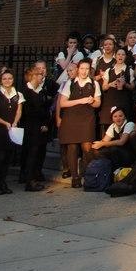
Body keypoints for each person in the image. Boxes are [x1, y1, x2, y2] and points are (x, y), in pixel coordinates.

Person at [57, 59, 100, 188]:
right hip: (71, 117)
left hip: (87, 117)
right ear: (78, 69)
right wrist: (81, 100)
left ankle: (86, 174)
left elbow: (98, 103)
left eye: (87, 69)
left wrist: (92, 101)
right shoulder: (70, 83)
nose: (84, 71)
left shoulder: (94, 83)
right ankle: (75, 177)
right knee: (72, 147)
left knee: (87, 147)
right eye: (82, 68)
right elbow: (63, 103)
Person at [19, 63, 52, 191]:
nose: (41, 78)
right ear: (33, 76)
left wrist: (45, 122)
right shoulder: (25, 92)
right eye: (39, 75)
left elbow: (45, 108)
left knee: (37, 153)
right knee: (31, 154)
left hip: (39, 127)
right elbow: (29, 111)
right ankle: (29, 181)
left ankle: (34, 177)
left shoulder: (40, 91)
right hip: (30, 127)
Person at [0, 68, 23, 194]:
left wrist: (14, 122)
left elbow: (19, 110)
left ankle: (2, 182)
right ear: (1, 80)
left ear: (13, 79)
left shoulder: (17, 94)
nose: (7, 81)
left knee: (8, 157)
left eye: (9, 78)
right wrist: (5, 123)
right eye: (4, 79)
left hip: (11, 130)